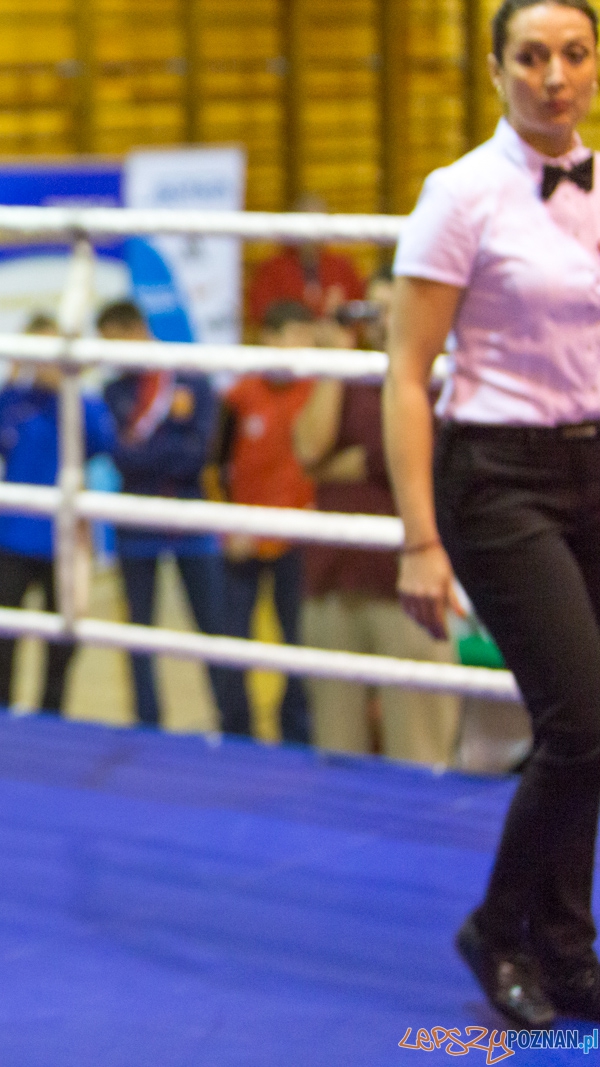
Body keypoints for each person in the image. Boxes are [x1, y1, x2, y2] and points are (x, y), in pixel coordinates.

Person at [384, 0, 600, 1027]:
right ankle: (499, 926)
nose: (552, 75)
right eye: (530, 56)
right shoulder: (460, 192)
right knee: (580, 718)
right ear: (494, 70)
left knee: (593, 729)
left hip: (594, 463)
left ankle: (566, 944)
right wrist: (419, 535)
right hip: (498, 479)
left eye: (572, 53)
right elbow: (404, 371)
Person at [294, 281, 461, 765]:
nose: (382, 319)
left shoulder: (444, 374)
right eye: (374, 308)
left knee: (419, 750)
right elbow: (308, 449)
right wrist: (336, 363)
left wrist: (357, 461)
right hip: (333, 578)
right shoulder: (349, 375)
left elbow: (423, 457)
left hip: (412, 585)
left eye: (393, 308)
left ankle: (423, 841)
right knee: (336, 747)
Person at [99, 300, 241, 730]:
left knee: (214, 625)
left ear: (135, 330)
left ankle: (236, 724)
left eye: (114, 341)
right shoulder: (114, 391)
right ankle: (147, 725)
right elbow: (119, 455)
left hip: (190, 521)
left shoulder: (190, 378)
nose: (110, 352)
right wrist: (162, 451)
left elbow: (199, 453)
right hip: (137, 523)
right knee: (138, 632)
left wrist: (145, 454)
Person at [0, 312, 116, 714]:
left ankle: (52, 714)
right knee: (1, 638)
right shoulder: (14, 403)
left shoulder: (80, 403)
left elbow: (104, 441)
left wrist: (70, 386)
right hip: (12, 535)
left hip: (64, 538)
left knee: (62, 640)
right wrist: (13, 376)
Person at [214, 300, 317, 745]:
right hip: (245, 538)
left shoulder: (320, 391)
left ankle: (296, 732)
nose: (301, 347)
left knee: (299, 640)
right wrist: (229, 525)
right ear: (269, 339)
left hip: (299, 538)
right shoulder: (239, 396)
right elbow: (212, 468)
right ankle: (235, 732)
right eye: (292, 336)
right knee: (234, 640)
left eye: (306, 338)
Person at [245, 193, 368, 331]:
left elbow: (360, 315)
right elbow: (261, 315)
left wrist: (340, 312)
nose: (313, 231)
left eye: (319, 223)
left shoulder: (342, 267)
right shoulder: (271, 269)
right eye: (308, 223)